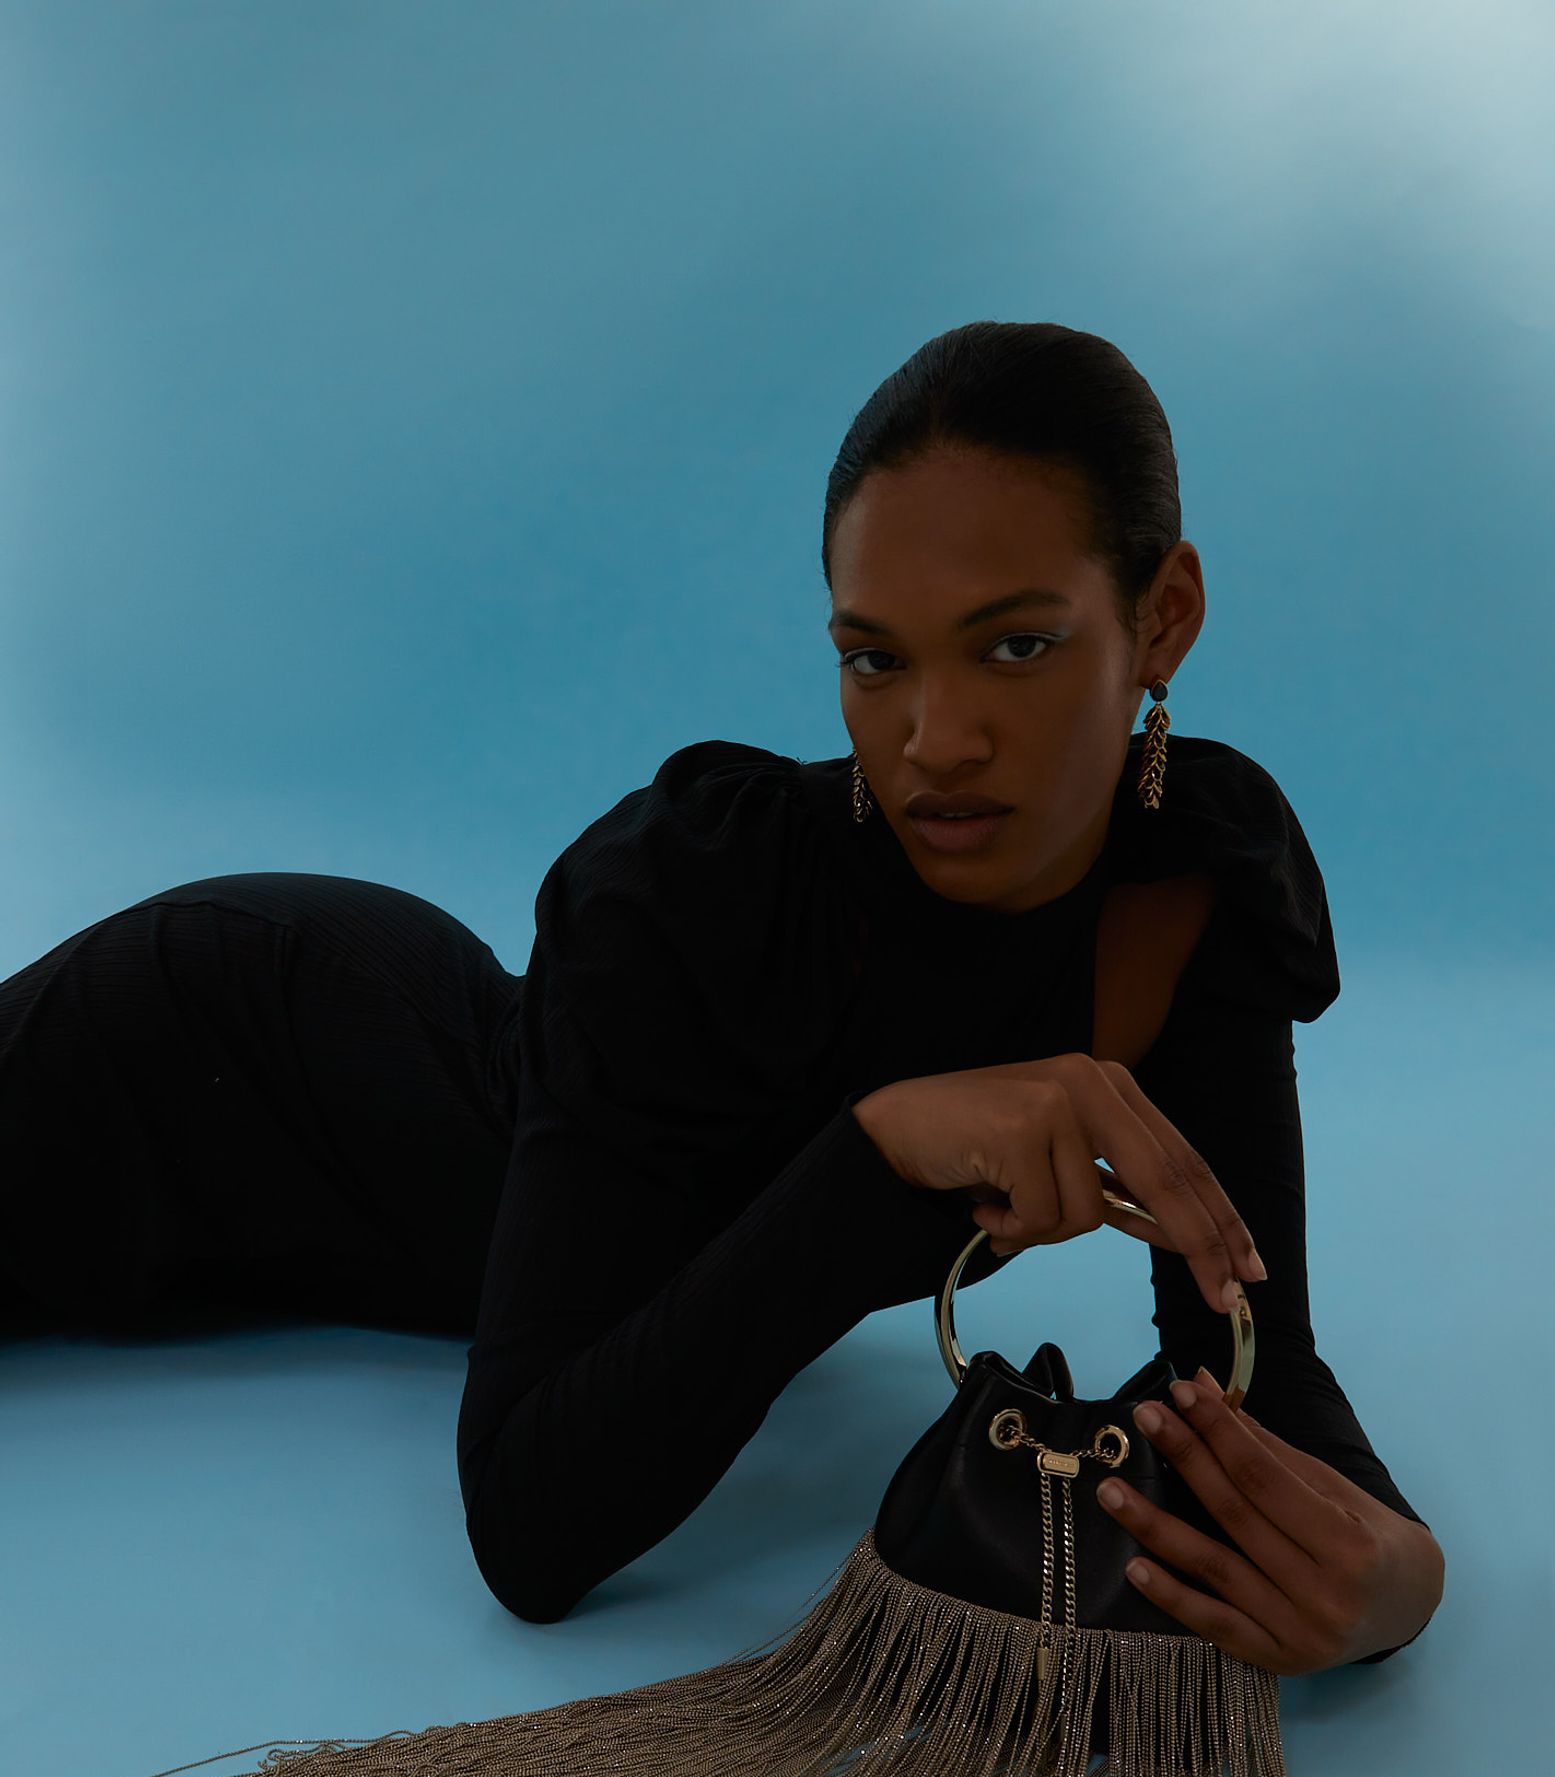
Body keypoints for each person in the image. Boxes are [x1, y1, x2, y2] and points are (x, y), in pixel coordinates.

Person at [0, 320, 1444, 1667]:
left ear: (1163, 617)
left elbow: (1247, 1366)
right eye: (875, 660)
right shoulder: (699, 894)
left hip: (312, 1258)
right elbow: (529, 1532)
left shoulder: (1190, 892)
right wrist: (880, 1149)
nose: (936, 741)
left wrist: (1397, 1581)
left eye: (1017, 644)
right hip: (210, 1067)